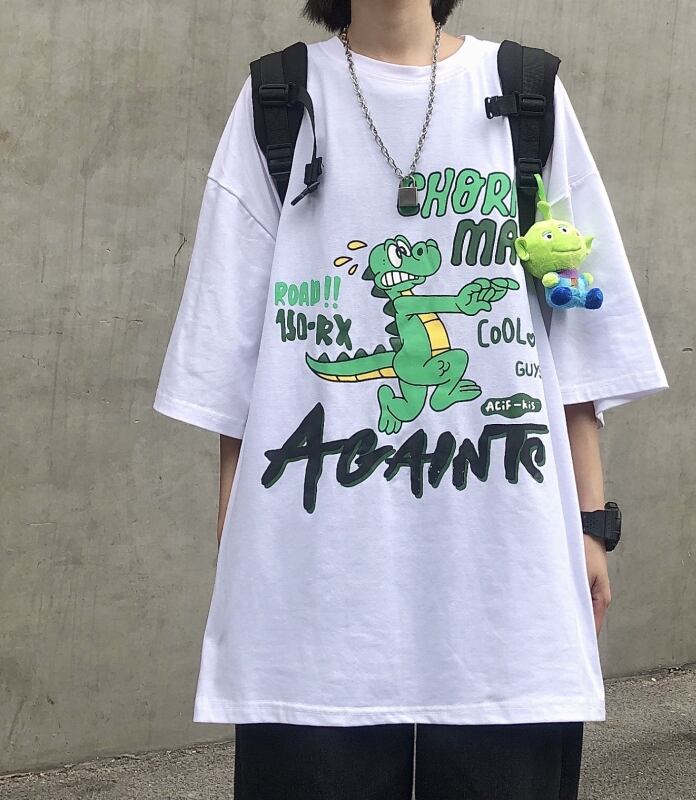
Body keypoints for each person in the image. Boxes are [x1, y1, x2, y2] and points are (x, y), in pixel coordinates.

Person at [152, 0, 669, 797]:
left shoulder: (524, 94)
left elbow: (574, 324)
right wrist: (241, 557)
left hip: (507, 572)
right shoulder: (280, 100)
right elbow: (232, 361)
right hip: (319, 581)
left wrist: (591, 523)